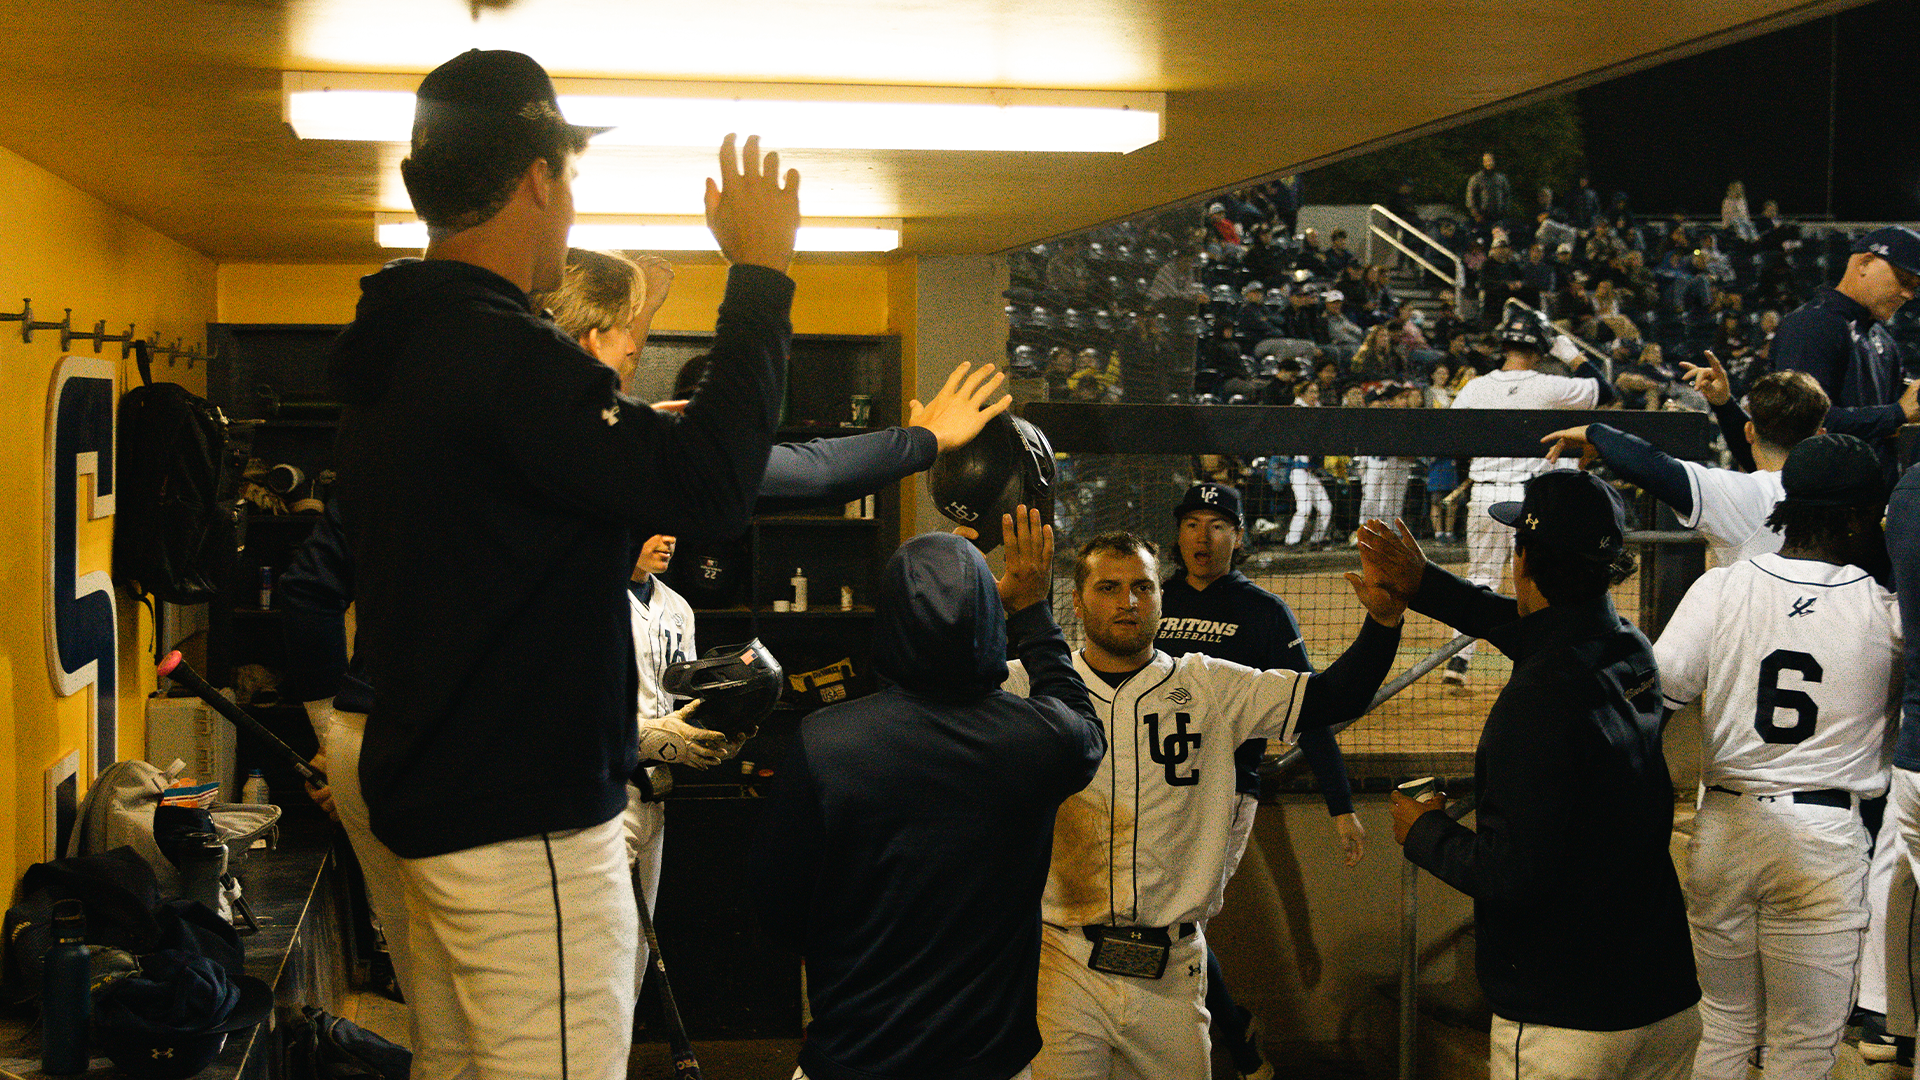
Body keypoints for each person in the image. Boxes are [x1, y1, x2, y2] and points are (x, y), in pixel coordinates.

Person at [327, 48, 799, 1080]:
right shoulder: (503, 353)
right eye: (572, 178)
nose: (573, 206)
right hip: (525, 827)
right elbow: (714, 487)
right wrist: (760, 277)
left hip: (444, 808)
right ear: (539, 174)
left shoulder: (401, 340)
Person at [1008, 527, 1406, 1080]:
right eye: (1108, 587)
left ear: (1161, 598)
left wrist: (1383, 624)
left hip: (1171, 972)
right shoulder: (1026, 686)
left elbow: (1332, 697)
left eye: (1142, 588)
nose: (1127, 602)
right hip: (1062, 964)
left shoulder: (1210, 685)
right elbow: (936, 697)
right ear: (1076, 600)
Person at [1366, 473, 1702, 1080]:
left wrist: (1424, 832)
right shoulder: (1629, 649)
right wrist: (1426, 587)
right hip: (1664, 1000)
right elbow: (1543, 631)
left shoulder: (1536, 701)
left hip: (1568, 1021)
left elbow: (1510, 871)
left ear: (1522, 561)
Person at [749, 510, 1106, 1080]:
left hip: (854, 1054)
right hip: (987, 1062)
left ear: (889, 620)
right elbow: (1079, 713)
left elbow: (777, 906)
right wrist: (1032, 610)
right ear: (987, 620)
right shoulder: (1040, 739)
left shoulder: (826, 741)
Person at [1652, 434, 1899, 1080]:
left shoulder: (1720, 589)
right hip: (1821, 843)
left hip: (1724, 825)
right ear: (1851, 518)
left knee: (1726, 1028)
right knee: (1803, 1045)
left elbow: (1658, 693)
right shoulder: (1885, 612)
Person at [1154, 483, 1366, 1080]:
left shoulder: (1263, 612)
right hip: (1151, 783)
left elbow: (1309, 711)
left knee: (1181, 920)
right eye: (1192, 522)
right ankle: (1226, 1028)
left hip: (1227, 787)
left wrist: (1340, 804)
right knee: (1161, 918)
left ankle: (1227, 1035)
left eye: (1218, 524)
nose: (1202, 535)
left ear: (1238, 537)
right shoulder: (1150, 599)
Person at [1443, 307, 1614, 686]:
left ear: (1503, 345)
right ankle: (1544, 660)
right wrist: (1571, 354)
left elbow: (1451, 433)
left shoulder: (1475, 386)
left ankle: (1457, 662)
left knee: (1480, 579)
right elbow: (1606, 390)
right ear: (1540, 349)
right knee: (1543, 583)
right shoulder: (1550, 386)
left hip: (1486, 496)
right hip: (1533, 503)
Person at [1541, 359, 1830, 567]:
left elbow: (1652, 467)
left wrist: (1595, 431)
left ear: (1749, 431)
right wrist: (1724, 404)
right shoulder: (1849, 489)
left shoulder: (1746, 495)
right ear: (1821, 436)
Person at [1769, 226, 1920, 471]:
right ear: (1865, 263)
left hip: (1871, 494)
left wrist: (1905, 413)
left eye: (1915, 287)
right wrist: (1897, 414)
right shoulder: (1814, 324)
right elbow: (1802, 424)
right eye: (1904, 280)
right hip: (1826, 497)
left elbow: (1891, 417)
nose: (1909, 294)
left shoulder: (1882, 337)